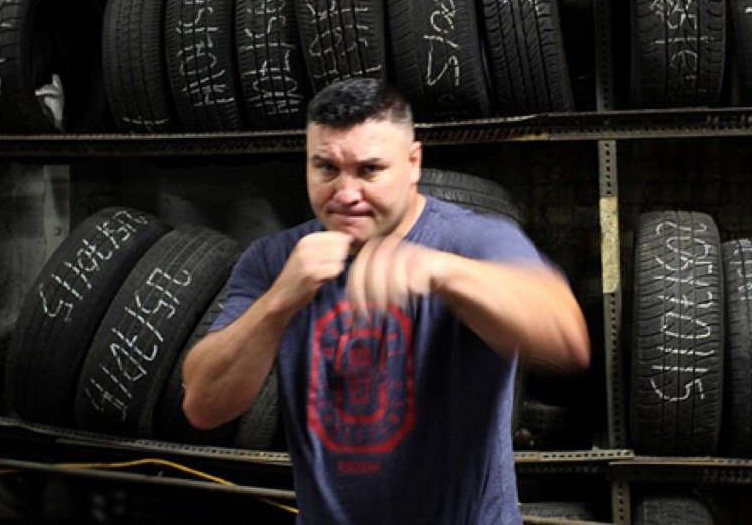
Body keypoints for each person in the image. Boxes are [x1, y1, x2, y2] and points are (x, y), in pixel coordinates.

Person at [182, 78, 590, 524]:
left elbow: (566, 337)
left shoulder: (473, 238)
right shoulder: (275, 259)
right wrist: (279, 301)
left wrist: (444, 273)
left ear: (413, 162)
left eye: (369, 170)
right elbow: (204, 405)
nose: (346, 194)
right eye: (326, 169)